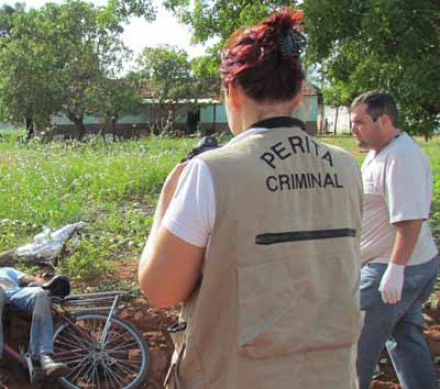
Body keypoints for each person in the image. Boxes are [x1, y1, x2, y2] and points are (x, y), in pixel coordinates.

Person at [138, 9, 364, 389]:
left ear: (231, 92)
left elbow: (159, 290)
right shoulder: (346, 167)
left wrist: (168, 194)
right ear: (299, 95)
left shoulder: (211, 172)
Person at [351, 90, 439, 389]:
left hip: (393, 269)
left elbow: (411, 218)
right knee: (405, 339)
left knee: (355, 346)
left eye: (360, 122)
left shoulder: (401, 157)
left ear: (384, 120)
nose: (353, 129)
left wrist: (395, 269)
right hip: (404, 266)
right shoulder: (381, 153)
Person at [0, 261, 67, 389]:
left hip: (14, 292)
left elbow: (28, 278)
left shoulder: (5, 269)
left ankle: (43, 356)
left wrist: (49, 283)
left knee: (39, 293)